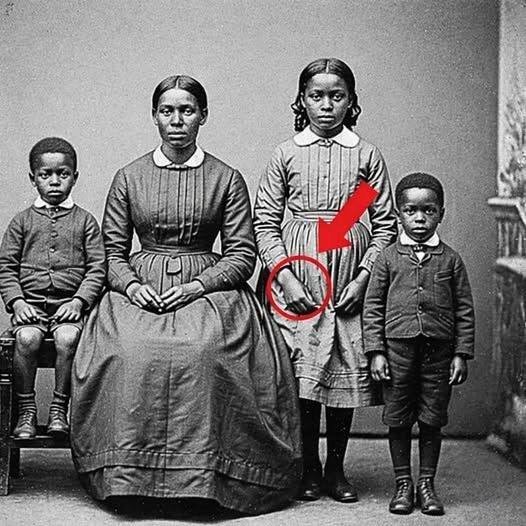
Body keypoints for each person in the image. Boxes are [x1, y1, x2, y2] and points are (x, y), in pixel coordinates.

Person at [70, 75, 302, 515]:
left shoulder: (226, 178)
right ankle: (128, 476)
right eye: (168, 111)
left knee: (205, 348)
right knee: (130, 347)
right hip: (140, 283)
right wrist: (133, 286)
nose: (177, 120)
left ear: (203, 116)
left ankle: (206, 477)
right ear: (155, 117)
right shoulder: (128, 176)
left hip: (208, 283)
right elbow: (111, 253)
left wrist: (198, 285)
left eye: (187, 111)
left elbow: (242, 254)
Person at [253, 58, 397, 502]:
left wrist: (364, 278)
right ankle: (308, 467)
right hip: (298, 273)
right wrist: (286, 276)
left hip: (347, 278)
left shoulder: (365, 155)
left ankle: (336, 468)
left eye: (337, 96)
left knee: (341, 370)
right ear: (302, 101)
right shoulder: (287, 153)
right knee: (303, 373)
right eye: (317, 96)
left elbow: (384, 225)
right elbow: (265, 222)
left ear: (351, 102)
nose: (327, 105)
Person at [363, 172, 475, 515]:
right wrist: (376, 352)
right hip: (397, 353)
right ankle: (403, 484)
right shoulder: (386, 258)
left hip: (438, 355)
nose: (420, 218)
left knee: (432, 419)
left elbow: (464, 310)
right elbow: (372, 306)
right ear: (398, 214)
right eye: (411, 211)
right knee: (398, 418)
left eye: (429, 210)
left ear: (441, 213)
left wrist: (461, 354)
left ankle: (426, 484)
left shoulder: (451, 259)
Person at [0, 137, 105, 439]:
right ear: (33, 179)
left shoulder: (85, 222)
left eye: (63, 174)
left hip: (68, 309)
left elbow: (97, 268)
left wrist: (79, 302)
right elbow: (6, 267)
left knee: (69, 338)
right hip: (30, 308)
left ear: (75, 177)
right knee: (27, 339)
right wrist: (18, 303)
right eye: (46, 175)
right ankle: (27, 411)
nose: (55, 181)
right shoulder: (21, 222)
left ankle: (60, 409)